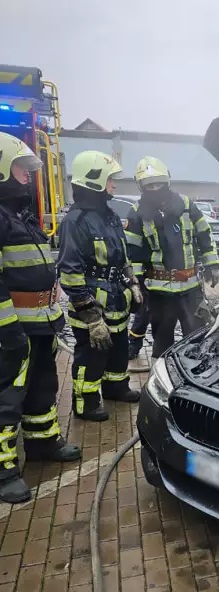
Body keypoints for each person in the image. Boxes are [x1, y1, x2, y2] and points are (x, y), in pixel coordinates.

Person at [0, 132, 81, 503]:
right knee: (7, 396)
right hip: (13, 329)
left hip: (39, 324)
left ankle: (43, 442)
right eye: (21, 167)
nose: (28, 175)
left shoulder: (19, 215)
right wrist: (9, 331)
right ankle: (4, 471)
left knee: (42, 386)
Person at [57, 150, 143, 422]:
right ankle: (86, 403)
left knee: (118, 351)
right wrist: (91, 317)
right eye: (109, 180)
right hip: (92, 307)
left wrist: (132, 282)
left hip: (117, 300)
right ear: (94, 181)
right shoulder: (75, 222)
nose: (114, 185)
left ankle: (116, 388)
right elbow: (70, 272)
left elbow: (123, 255)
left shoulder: (110, 216)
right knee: (91, 357)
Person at [125, 156, 219, 363]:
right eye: (149, 186)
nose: (155, 189)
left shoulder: (185, 204)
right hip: (159, 293)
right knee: (162, 344)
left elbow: (204, 233)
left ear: (167, 181)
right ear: (141, 187)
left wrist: (212, 264)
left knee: (196, 341)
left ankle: (195, 373)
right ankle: (161, 376)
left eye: (158, 183)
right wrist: (137, 283)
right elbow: (132, 252)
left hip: (190, 289)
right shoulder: (137, 212)